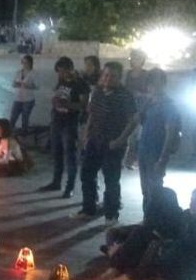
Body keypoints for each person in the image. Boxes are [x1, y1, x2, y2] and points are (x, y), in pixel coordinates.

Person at [78, 61, 137, 225]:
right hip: (94, 140)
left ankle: (111, 214)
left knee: (111, 179)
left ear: (119, 78)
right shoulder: (97, 91)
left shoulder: (125, 95)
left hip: (112, 143)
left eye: (112, 76)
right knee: (87, 174)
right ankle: (88, 209)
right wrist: (86, 135)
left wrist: (120, 140)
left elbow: (133, 121)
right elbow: (91, 114)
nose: (108, 79)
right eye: (105, 75)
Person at [42, 57, 89, 197]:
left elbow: (83, 106)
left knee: (70, 155)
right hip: (57, 120)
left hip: (70, 122)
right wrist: (55, 101)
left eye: (62, 71)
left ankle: (70, 187)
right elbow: (57, 94)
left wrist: (66, 105)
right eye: (58, 72)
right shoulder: (61, 81)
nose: (60, 75)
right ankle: (56, 182)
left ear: (70, 69)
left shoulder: (81, 84)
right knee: (56, 153)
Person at [136, 68, 181, 211]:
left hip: (156, 152)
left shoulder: (169, 105)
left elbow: (171, 132)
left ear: (163, 84)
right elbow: (138, 123)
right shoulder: (149, 103)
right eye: (151, 84)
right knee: (146, 190)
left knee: (154, 190)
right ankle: (147, 219)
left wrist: (162, 158)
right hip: (144, 150)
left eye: (157, 84)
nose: (153, 87)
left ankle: (153, 221)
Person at [122, 49, 149, 169]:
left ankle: (131, 159)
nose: (134, 60)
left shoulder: (146, 75)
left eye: (137, 58)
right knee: (127, 133)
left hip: (141, 107)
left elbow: (150, 93)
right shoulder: (128, 74)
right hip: (128, 106)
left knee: (136, 135)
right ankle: (125, 159)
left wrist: (140, 94)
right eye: (132, 58)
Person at [9, 54, 38, 131]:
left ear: (30, 63)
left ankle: (24, 134)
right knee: (13, 117)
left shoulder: (34, 73)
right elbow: (13, 83)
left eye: (26, 62)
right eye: (23, 62)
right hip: (18, 98)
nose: (24, 64)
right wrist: (16, 84)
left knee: (25, 118)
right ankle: (9, 132)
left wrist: (27, 86)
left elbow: (37, 86)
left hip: (28, 99)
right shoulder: (18, 72)